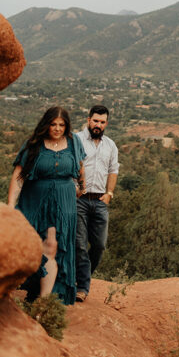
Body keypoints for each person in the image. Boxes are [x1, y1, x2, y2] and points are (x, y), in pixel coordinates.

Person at [7, 106, 85, 305]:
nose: (57, 128)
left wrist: (80, 187)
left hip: (64, 201)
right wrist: (10, 205)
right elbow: (18, 176)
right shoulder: (33, 145)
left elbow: (80, 168)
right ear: (46, 124)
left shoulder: (74, 142)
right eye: (53, 124)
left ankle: (46, 299)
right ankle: (34, 291)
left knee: (53, 245)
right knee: (34, 245)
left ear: (66, 126)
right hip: (35, 200)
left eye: (61, 125)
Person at [74, 104, 119, 301]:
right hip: (79, 200)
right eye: (95, 121)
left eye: (102, 122)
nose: (98, 125)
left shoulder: (110, 145)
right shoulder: (76, 140)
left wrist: (109, 193)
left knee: (99, 245)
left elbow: (113, 170)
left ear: (106, 124)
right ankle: (82, 288)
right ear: (88, 120)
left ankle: (81, 277)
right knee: (80, 245)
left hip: (100, 200)